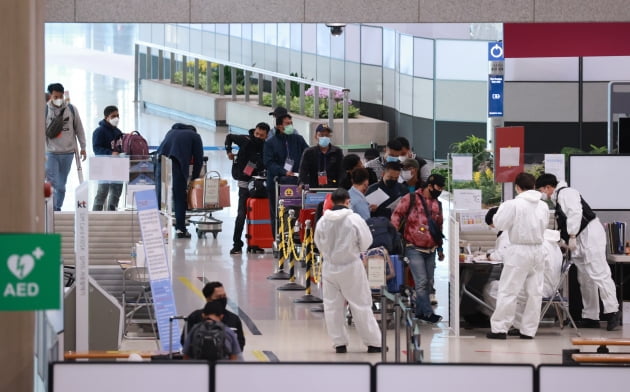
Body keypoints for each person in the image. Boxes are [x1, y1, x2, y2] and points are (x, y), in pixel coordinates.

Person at [536, 173, 621, 331]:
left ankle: (612, 311)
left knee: (600, 273)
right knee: (585, 279)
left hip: (589, 235)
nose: (542, 194)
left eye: (542, 190)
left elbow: (575, 213)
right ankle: (591, 316)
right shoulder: (558, 198)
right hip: (580, 238)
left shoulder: (567, 193)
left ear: (548, 187)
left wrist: (572, 234)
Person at [314, 188, 383, 354]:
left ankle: (339, 344)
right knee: (360, 304)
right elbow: (367, 241)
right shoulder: (354, 219)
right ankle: (373, 343)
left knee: (332, 306)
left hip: (330, 267)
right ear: (347, 201)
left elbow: (318, 244)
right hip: (351, 266)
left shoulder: (323, 221)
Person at [486, 172, 549, 339]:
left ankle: (500, 329)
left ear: (517, 187)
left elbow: (500, 223)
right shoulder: (543, 206)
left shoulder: (513, 204)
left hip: (519, 250)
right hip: (538, 249)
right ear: (534, 186)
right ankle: (528, 331)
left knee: (508, 291)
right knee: (534, 293)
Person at [391, 174, 445, 324]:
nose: (439, 191)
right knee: (420, 282)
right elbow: (396, 215)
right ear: (429, 185)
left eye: (442, 188)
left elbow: (439, 227)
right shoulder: (411, 198)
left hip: (431, 248)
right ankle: (427, 313)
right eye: (438, 187)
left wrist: (440, 248)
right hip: (413, 246)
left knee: (428, 282)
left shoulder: (437, 204)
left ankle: (420, 312)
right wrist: (394, 236)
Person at [224, 123, 270, 254]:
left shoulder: (266, 145)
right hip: (244, 181)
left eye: (261, 135)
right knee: (242, 213)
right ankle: (237, 244)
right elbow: (229, 137)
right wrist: (229, 151)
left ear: (266, 135)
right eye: (257, 134)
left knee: (259, 211)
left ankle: (255, 241)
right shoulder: (245, 140)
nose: (258, 137)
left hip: (259, 181)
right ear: (254, 131)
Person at [155, 123, 204, 238]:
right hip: (176, 163)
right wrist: (194, 179)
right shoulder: (195, 136)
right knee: (179, 197)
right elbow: (198, 160)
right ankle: (180, 229)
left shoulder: (171, 132)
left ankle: (156, 227)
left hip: (160, 161)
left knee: (160, 196)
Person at [263, 113, 308, 234]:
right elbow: (268, 162)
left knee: (297, 212)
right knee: (277, 214)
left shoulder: (298, 139)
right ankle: (278, 242)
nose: (290, 126)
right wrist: (283, 172)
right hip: (277, 183)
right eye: (287, 124)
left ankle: (296, 238)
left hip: (296, 183)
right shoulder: (270, 143)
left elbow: (307, 155)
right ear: (278, 126)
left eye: (291, 123)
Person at [45, 83, 87, 211]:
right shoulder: (44, 110)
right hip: (51, 153)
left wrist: (83, 147)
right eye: (56, 96)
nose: (59, 99)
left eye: (61, 96)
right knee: (52, 183)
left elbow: (79, 128)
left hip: (68, 153)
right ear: (50, 96)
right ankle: (51, 210)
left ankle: (57, 207)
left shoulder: (71, 109)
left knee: (61, 186)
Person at [181, 281, 245, 350]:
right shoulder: (194, 317)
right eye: (219, 297)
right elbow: (185, 341)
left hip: (227, 359)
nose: (222, 299)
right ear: (208, 299)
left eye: (224, 296)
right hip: (200, 359)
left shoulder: (234, 319)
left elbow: (240, 344)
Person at [92, 105, 124, 211]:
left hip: (116, 166)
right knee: (102, 192)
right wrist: (110, 153)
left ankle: (112, 212)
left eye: (118, 116)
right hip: (103, 165)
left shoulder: (118, 132)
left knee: (116, 191)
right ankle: (95, 216)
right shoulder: (99, 131)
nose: (116, 118)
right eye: (113, 116)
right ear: (106, 117)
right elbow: (96, 149)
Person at [298, 123, 343, 189]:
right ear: (316, 136)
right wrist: (301, 183)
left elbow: (342, 171)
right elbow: (303, 171)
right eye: (321, 135)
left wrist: (341, 186)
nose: (324, 137)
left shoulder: (337, 152)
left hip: (333, 188)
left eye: (327, 135)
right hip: (314, 188)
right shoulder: (309, 152)